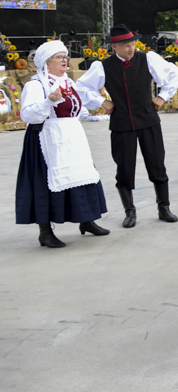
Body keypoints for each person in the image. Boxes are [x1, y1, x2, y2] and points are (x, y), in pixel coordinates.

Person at [75, 24, 178, 228]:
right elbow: (81, 87)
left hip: (148, 120)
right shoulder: (102, 66)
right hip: (122, 123)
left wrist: (162, 96)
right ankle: (130, 211)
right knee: (124, 168)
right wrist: (102, 102)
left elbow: (174, 74)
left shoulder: (147, 58)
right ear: (114, 47)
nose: (130, 48)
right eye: (125, 45)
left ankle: (164, 207)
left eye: (132, 43)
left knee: (157, 164)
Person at [16, 40, 109, 248]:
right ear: (46, 63)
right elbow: (27, 115)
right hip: (46, 138)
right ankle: (45, 232)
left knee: (81, 176)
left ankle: (86, 221)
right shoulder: (36, 85)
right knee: (45, 183)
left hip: (72, 137)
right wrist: (48, 101)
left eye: (65, 56)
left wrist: (95, 115)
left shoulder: (68, 82)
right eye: (59, 57)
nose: (64, 60)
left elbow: (77, 110)